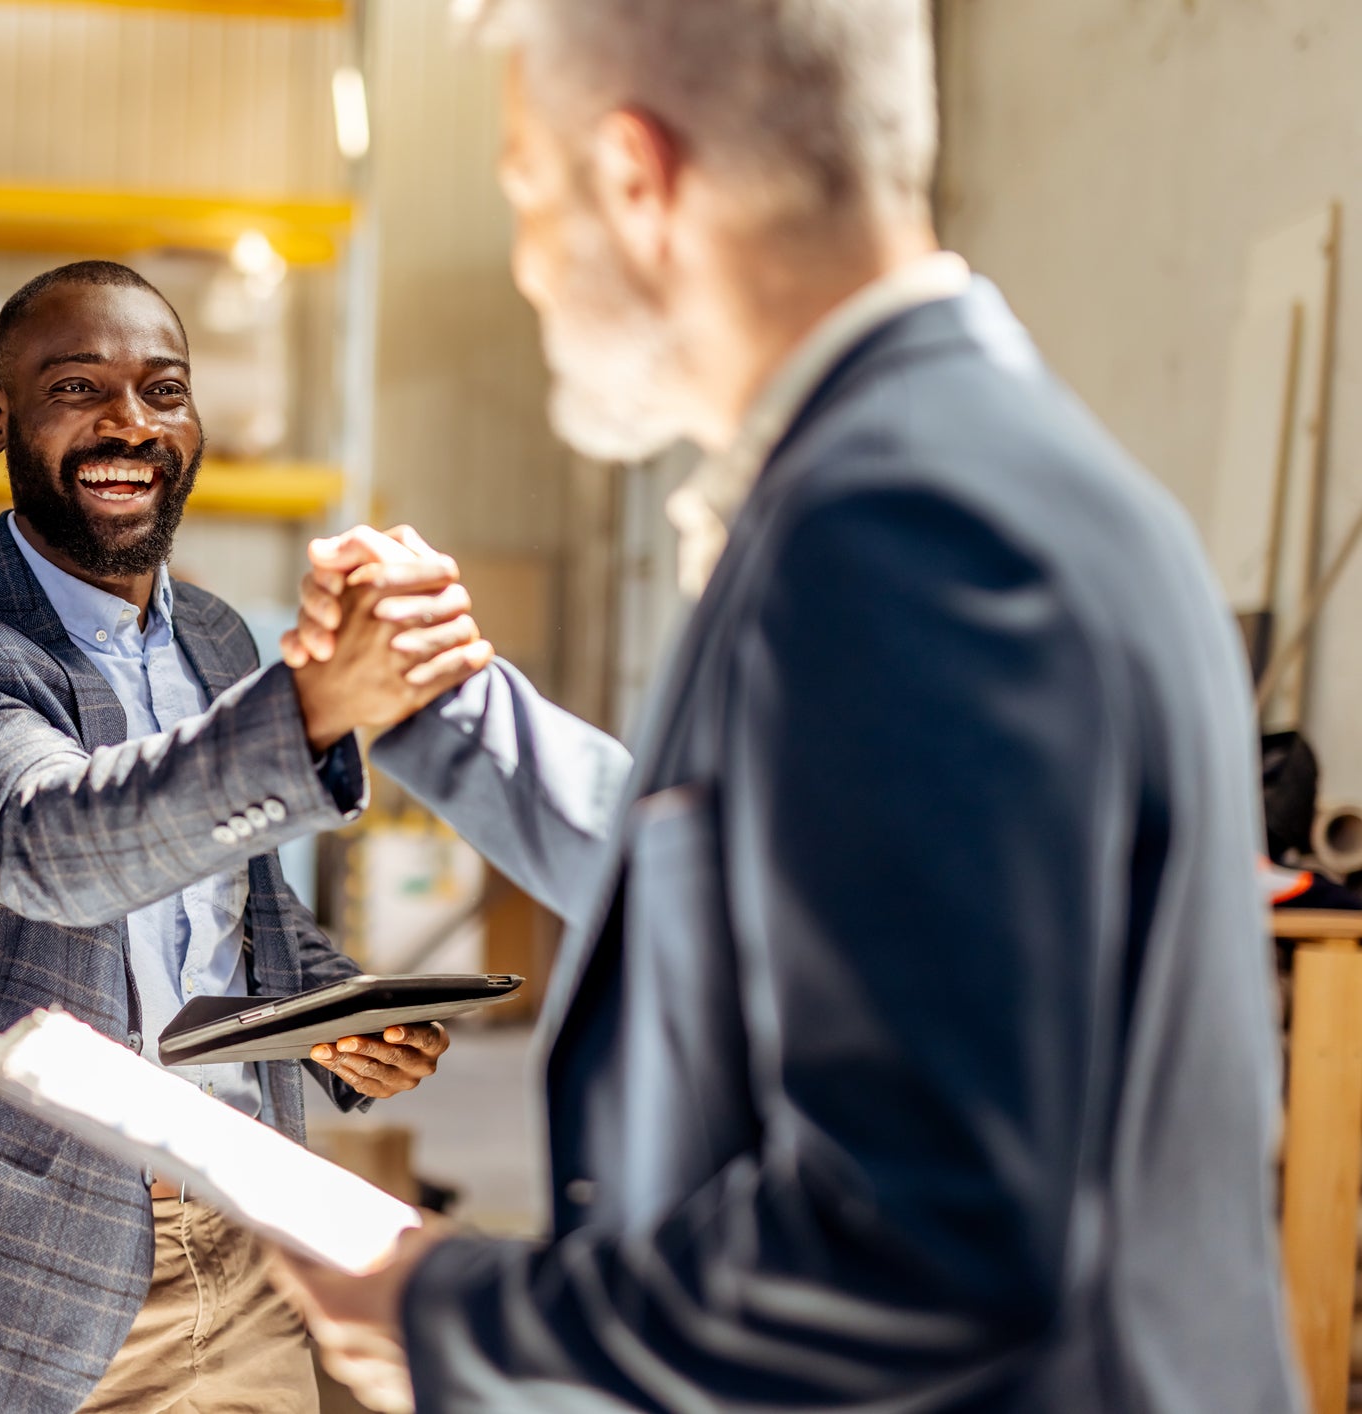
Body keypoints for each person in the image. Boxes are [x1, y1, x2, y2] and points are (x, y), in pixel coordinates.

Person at [270, 2, 1301, 1411]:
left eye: (526, 189)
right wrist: (440, 706)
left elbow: (922, 1246)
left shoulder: (908, 524)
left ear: (635, 181)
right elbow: (753, 889)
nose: (527, 263)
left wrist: (454, 1313)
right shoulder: (946, 470)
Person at [0, 260, 489, 1414]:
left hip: (250, 1222)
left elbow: (242, 906)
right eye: (77, 387)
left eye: (162, 389)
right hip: (40, 1250)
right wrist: (314, 711)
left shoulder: (220, 642)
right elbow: (48, 844)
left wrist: (335, 1015)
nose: (126, 423)